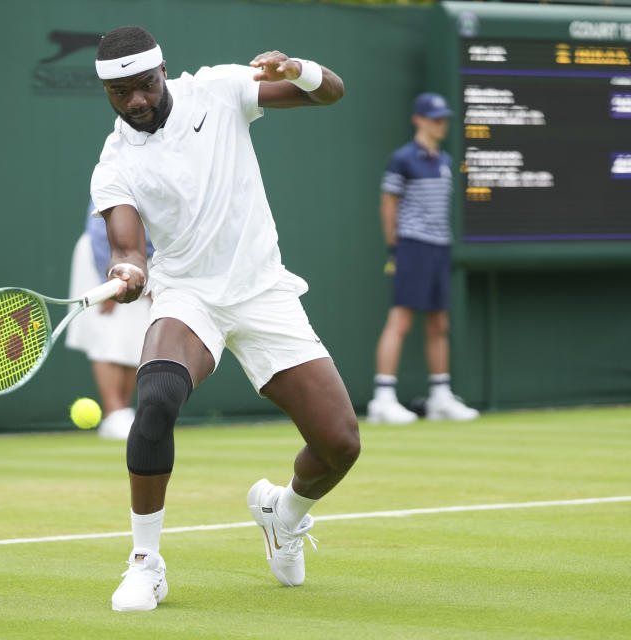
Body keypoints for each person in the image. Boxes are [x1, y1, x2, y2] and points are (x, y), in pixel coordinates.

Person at [89, 26, 359, 611]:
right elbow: (129, 248)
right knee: (157, 396)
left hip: (262, 289)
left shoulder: (217, 89)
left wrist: (300, 70)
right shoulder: (114, 164)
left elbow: (330, 93)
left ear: (163, 72)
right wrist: (131, 274)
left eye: (144, 86)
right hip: (189, 295)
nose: (136, 101)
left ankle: (283, 515)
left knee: (339, 445)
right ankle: (145, 563)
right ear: (106, 93)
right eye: (121, 93)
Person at [368, 92, 479, 424]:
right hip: (412, 245)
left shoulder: (445, 161)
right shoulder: (402, 159)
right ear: (418, 119)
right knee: (401, 321)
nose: (440, 124)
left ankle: (441, 396)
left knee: (439, 323)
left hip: (439, 246)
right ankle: (382, 399)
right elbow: (388, 206)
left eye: (443, 118)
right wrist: (395, 249)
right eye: (434, 118)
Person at [65, 199, 153, 440]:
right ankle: (113, 412)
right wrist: (107, 274)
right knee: (107, 335)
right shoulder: (121, 164)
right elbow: (101, 227)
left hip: (143, 260)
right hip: (105, 254)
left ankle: (121, 414)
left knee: (136, 336)